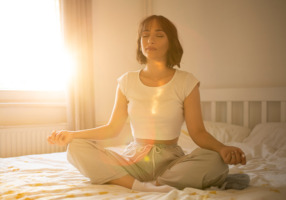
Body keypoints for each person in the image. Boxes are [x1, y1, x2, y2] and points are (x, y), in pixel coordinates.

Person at [48, 15, 249, 192]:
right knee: (75, 148)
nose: (150, 40)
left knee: (216, 161)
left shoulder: (187, 82)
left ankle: (158, 182)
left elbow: (198, 133)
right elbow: (112, 129)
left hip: (171, 163)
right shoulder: (126, 81)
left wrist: (222, 148)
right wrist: (72, 135)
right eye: (145, 35)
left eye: (159, 35)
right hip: (133, 160)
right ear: (140, 42)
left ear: (171, 42)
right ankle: (138, 185)